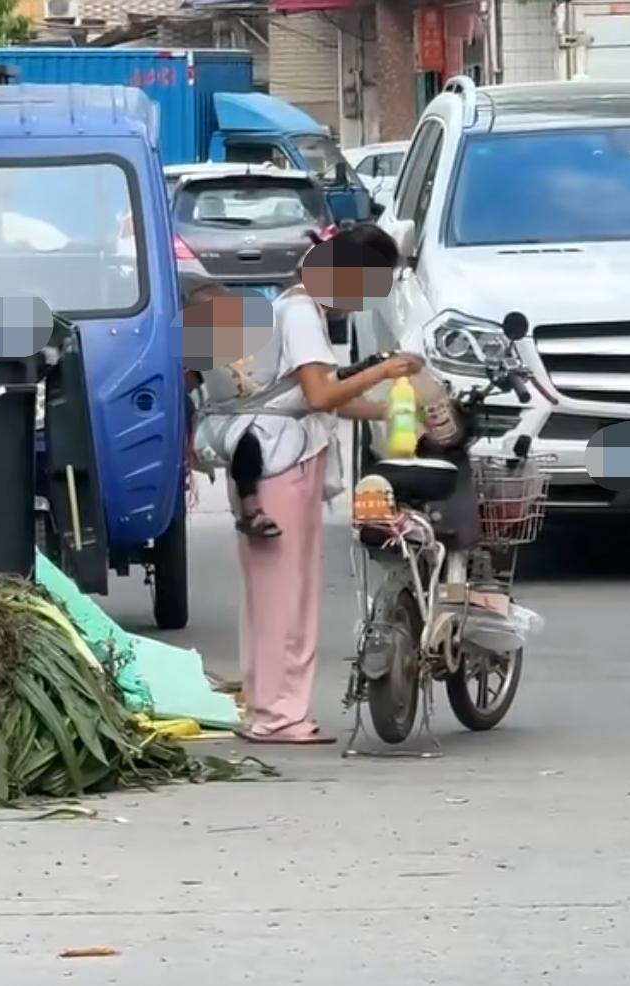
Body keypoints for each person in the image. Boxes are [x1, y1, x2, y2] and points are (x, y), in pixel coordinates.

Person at [230, 223, 422, 745]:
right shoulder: (301, 314)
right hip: (283, 464)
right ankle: (279, 716)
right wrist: (385, 372)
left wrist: (393, 410)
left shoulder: (296, 307)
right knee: (286, 598)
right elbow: (320, 396)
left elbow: (320, 399)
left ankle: (266, 708)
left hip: (276, 460)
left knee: (272, 595)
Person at [182, 280, 281, 538]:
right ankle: (251, 509)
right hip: (224, 418)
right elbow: (187, 385)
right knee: (246, 441)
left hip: (268, 410)